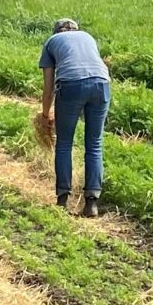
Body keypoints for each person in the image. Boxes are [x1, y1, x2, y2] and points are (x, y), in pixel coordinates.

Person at [37, 16, 111, 217]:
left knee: (64, 143)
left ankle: (62, 200)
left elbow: (48, 88)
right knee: (94, 144)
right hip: (102, 85)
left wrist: (45, 115)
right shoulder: (88, 37)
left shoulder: (51, 42)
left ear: (56, 31)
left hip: (71, 86)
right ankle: (91, 204)